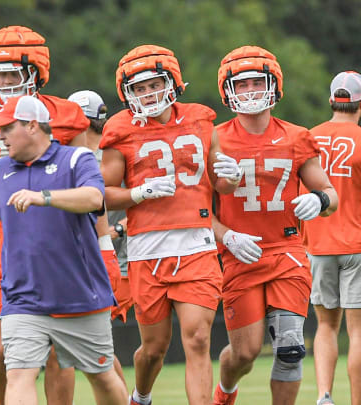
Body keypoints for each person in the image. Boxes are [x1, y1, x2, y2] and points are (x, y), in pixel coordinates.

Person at [0, 95, 128, 405]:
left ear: (33, 126)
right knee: (18, 373)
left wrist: (44, 197)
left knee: (102, 375)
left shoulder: (76, 160)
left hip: (79, 294)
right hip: (22, 297)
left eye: (7, 129)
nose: (0, 138)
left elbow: (94, 199)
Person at [0, 25, 90, 405]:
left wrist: (97, 242)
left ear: (36, 73)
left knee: (59, 350)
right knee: (4, 349)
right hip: (6, 243)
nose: (6, 82)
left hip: (60, 243)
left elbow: (86, 182)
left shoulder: (67, 115)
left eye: (14, 73)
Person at [99, 45, 242, 405]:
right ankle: (141, 396)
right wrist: (139, 192)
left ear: (173, 82)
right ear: (128, 93)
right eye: (139, 88)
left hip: (196, 244)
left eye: (154, 85)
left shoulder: (201, 119)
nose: (147, 94)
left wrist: (233, 177)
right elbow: (102, 193)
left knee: (197, 339)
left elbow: (218, 182)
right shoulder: (120, 127)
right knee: (154, 349)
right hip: (148, 249)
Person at [210, 46, 338, 405]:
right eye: (242, 83)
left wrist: (319, 200)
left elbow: (330, 193)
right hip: (240, 255)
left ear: (274, 85)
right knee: (245, 353)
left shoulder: (297, 136)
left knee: (291, 347)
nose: (250, 90)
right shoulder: (214, 139)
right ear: (228, 91)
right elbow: (199, 212)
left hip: (287, 252)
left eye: (256, 81)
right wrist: (228, 237)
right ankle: (226, 390)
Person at [301, 71, 361, 405]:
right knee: (357, 332)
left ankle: (324, 396)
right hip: (357, 246)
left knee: (325, 326)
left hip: (318, 246)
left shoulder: (309, 138)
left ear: (331, 101)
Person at [68, 89, 132, 383]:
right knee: (91, 344)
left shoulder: (112, 156)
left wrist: (115, 231)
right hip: (91, 260)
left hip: (114, 260)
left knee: (92, 343)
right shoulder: (75, 157)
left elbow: (142, 204)